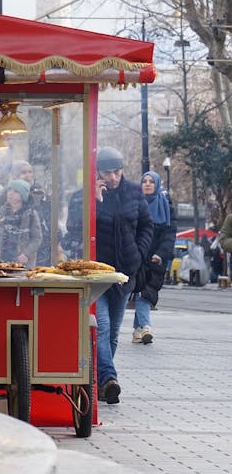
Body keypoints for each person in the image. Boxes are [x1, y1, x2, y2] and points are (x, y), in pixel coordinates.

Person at [66, 146, 153, 405]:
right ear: (96, 172)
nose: (113, 177)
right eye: (107, 172)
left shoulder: (134, 192)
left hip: (125, 274)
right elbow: (73, 230)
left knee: (114, 332)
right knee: (101, 327)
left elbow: (147, 225)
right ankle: (108, 377)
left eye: (117, 171)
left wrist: (138, 254)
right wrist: (94, 203)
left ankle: (102, 383)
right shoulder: (82, 196)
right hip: (95, 274)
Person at [132, 171, 177, 345]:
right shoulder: (134, 204)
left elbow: (169, 234)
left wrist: (161, 254)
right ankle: (145, 326)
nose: (148, 184)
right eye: (145, 181)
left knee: (147, 292)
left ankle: (138, 330)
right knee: (141, 292)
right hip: (136, 256)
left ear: (157, 184)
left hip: (156, 259)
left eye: (152, 181)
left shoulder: (166, 205)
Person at [0, 178, 42, 268]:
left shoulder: (31, 214)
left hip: (23, 260)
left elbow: (37, 238)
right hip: (4, 257)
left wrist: (26, 254)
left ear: (23, 195)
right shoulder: (3, 210)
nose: (11, 193)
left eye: (16, 191)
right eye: (9, 190)